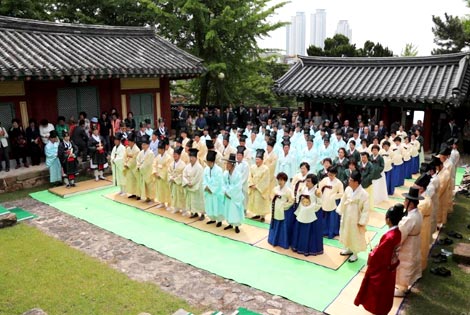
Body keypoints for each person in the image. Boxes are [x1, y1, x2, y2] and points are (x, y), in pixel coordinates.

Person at [354, 204, 404, 315]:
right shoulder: (397, 233)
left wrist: (372, 253)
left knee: (378, 294)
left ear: (388, 220)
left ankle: (378, 311)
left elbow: (378, 256)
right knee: (386, 293)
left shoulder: (389, 237)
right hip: (391, 267)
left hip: (382, 270)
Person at [395, 186, 423, 297]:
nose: (404, 202)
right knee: (410, 263)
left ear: (410, 203)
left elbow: (401, 235)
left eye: (406, 200)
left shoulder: (409, 218)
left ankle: (402, 288)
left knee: (404, 265)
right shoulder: (417, 213)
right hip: (414, 241)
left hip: (408, 244)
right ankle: (404, 287)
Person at [337, 171, 370, 263]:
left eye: (351, 180)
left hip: (356, 218)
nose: (349, 181)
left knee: (355, 235)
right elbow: (343, 200)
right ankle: (349, 248)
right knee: (346, 232)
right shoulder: (348, 189)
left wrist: (362, 221)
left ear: (356, 182)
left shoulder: (364, 194)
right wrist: (340, 210)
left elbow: (366, 210)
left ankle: (355, 253)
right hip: (347, 215)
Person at [291, 173, 323, 256]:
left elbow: (319, 204)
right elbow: (298, 198)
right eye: (306, 181)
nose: (306, 183)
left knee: (309, 233)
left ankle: (309, 249)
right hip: (301, 212)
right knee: (299, 231)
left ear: (313, 182)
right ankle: (298, 247)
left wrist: (310, 209)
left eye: (309, 181)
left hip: (310, 215)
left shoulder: (317, 192)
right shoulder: (303, 188)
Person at [268, 172, 294, 248]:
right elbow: (271, 196)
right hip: (275, 209)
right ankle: (273, 240)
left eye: (281, 180)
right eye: (279, 180)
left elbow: (291, 200)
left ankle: (282, 242)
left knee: (282, 226)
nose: (280, 182)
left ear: (285, 181)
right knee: (275, 223)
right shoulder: (275, 188)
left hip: (282, 211)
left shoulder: (288, 190)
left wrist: (284, 206)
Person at [318, 165, 344, 239]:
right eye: (329, 174)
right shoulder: (325, 180)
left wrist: (334, 196)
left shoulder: (339, 183)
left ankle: (331, 232)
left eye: (332, 175)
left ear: (335, 174)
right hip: (324, 200)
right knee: (324, 218)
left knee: (332, 219)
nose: (330, 176)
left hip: (333, 203)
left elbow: (342, 193)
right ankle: (323, 232)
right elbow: (319, 188)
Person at [222, 153, 245, 232]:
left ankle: (236, 226)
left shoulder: (238, 175)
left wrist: (228, 192)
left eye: (228, 164)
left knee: (235, 210)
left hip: (235, 196)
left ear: (232, 165)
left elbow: (237, 187)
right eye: (226, 163)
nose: (226, 165)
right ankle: (230, 223)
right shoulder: (225, 173)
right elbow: (223, 183)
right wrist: (225, 191)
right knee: (228, 210)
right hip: (228, 195)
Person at [247, 149, 271, 221]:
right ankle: (257, 214)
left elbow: (265, 180)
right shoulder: (252, 167)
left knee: (261, 202)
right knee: (255, 202)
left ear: (262, 160)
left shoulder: (265, 169)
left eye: (258, 159)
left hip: (260, 189)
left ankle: (262, 216)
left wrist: (257, 186)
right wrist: (251, 184)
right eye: (256, 159)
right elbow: (250, 176)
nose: (256, 161)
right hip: (253, 187)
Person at [203, 150, 225, 225]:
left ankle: (219, 220)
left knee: (217, 206)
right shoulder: (206, 169)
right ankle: (212, 218)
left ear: (213, 162)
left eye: (209, 162)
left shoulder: (219, 170)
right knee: (210, 205)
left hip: (216, 192)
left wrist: (211, 188)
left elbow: (218, 182)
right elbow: (204, 179)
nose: (208, 164)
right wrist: (205, 186)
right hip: (208, 191)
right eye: (207, 162)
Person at [182, 148, 205, 219]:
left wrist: (192, 183)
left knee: (198, 200)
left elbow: (198, 177)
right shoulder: (187, 166)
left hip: (197, 186)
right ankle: (194, 212)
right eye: (190, 157)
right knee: (191, 200)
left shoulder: (199, 167)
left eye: (192, 157)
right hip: (189, 185)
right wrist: (187, 182)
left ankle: (202, 214)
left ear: (196, 158)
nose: (191, 159)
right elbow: (184, 175)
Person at [153, 140, 172, 208]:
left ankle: (169, 204)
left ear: (163, 149)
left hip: (165, 177)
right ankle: (162, 202)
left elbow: (167, 168)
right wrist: (155, 172)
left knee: (167, 190)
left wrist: (160, 175)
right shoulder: (158, 156)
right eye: (158, 149)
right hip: (158, 175)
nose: (158, 150)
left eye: (160, 149)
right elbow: (154, 164)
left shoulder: (168, 157)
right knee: (160, 189)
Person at [168, 146, 186, 214]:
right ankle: (176, 208)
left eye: (176, 154)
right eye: (174, 154)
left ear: (179, 155)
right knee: (174, 196)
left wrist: (175, 179)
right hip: (173, 183)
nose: (174, 155)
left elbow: (183, 175)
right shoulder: (171, 164)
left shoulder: (183, 164)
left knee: (181, 196)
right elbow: (169, 172)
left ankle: (184, 209)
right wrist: (170, 177)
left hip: (179, 184)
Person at [136, 136, 155, 202]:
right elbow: (137, 160)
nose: (143, 146)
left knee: (150, 185)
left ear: (148, 145)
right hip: (143, 171)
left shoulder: (150, 153)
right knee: (144, 185)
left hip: (148, 171)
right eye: (142, 144)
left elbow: (148, 164)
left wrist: (140, 167)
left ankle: (152, 198)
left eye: (144, 144)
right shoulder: (141, 152)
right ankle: (147, 197)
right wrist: (138, 166)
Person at [124, 133, 141, 199]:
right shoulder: (128, 149)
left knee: (136, 181)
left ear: (133, 142)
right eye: (128, 141)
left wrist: (128, 164)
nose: (129, 142)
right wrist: (125, 163)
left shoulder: (137, 150)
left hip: (134, 168)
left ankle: (138, 194)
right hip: (129, 168)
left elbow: (134, 159)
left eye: (130, 141)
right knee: (131, 181)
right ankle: (133, 193)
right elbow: (125, 156)